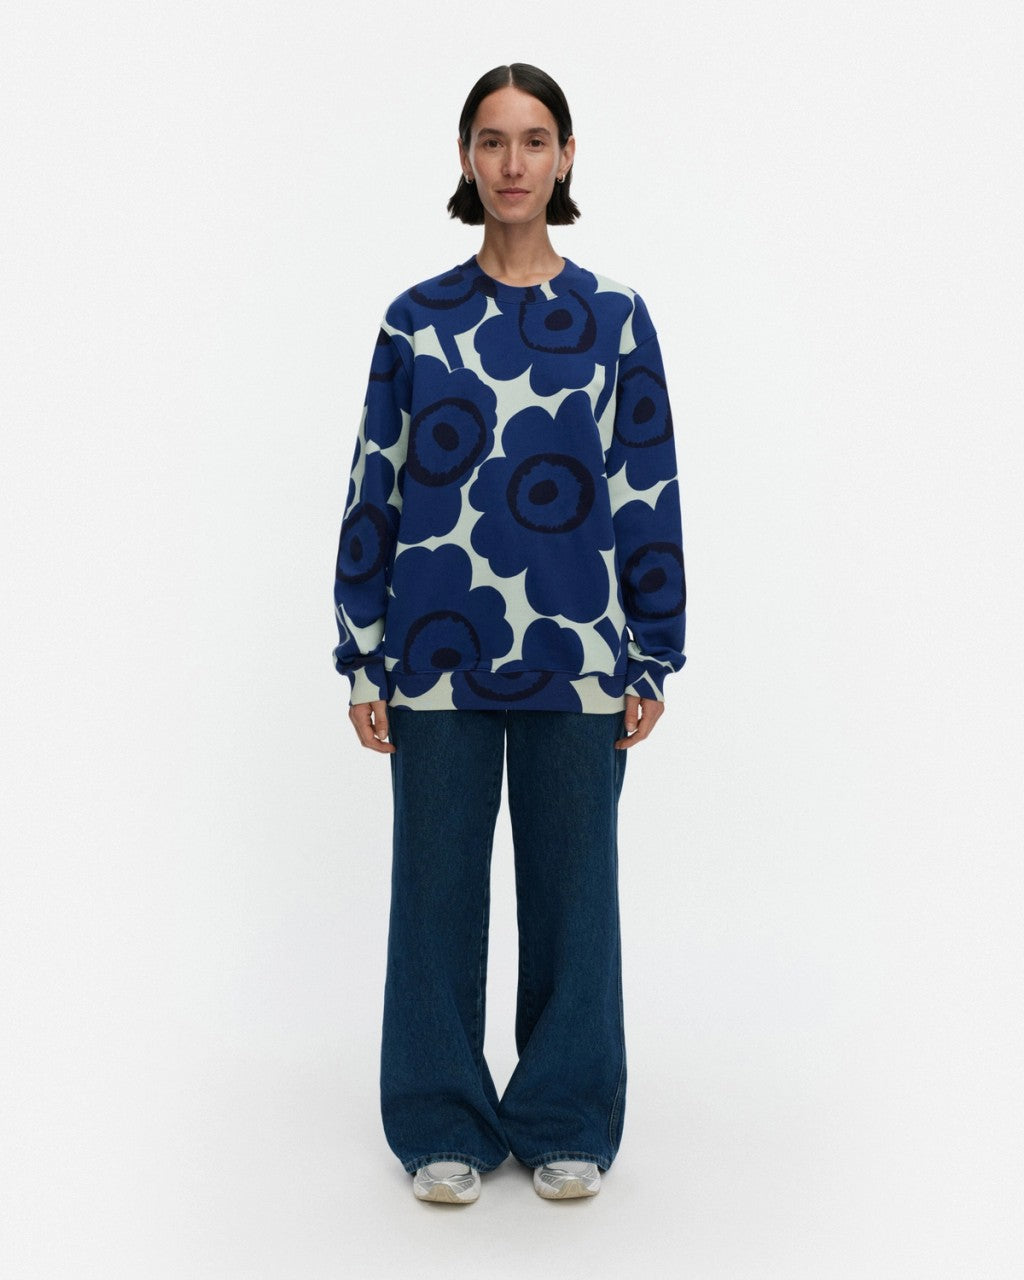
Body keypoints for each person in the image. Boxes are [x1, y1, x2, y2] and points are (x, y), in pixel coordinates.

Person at [332, 62, 686, 1204]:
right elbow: (375, 487)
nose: (514, 162)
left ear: (567, 156)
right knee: (433, 895)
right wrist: (361, 653)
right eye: (493, 140)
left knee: (576, 899)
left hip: (578, 656)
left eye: (535, 140)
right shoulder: (415, 319)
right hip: (432, 653)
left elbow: (645, 486)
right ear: (465, 158)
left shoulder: (616, 319)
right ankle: (440, 1120)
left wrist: (653, 649)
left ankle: (565, 1115)